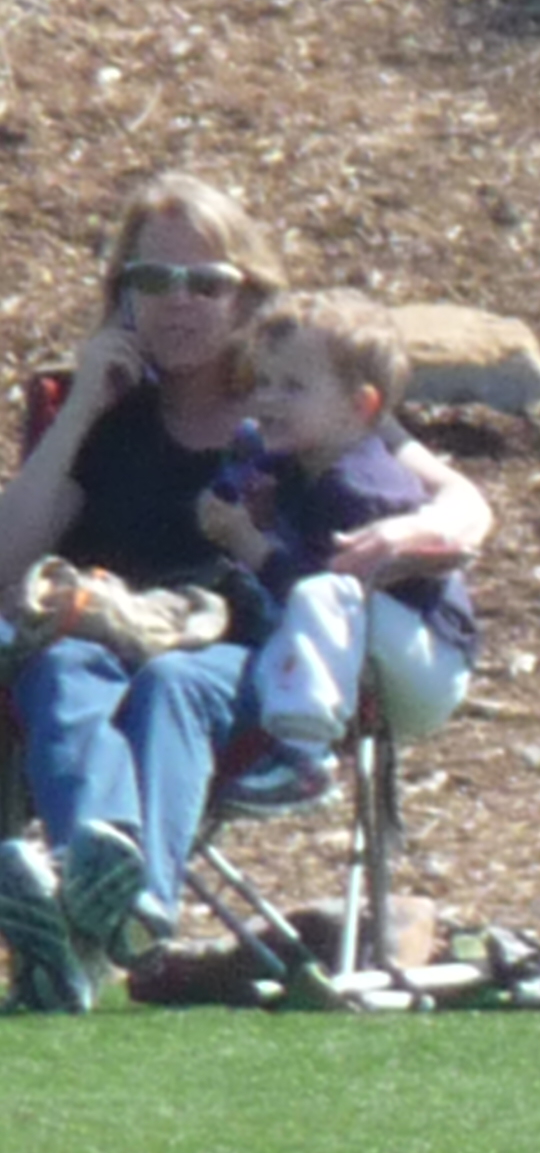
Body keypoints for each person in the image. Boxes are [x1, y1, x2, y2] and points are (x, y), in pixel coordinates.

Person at [0, 174, 491, 1013]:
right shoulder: (107, 419)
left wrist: (411, 536)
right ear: (122, 295)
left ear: (250, 295)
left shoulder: (301, 395)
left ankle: (114, 915)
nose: (177, 302)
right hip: (106, 638)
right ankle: (98, 880)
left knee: (170, 679)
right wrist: (80, 408)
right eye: (152, 279)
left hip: (244, 658)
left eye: (206, 282)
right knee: (60, 668)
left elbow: (462, 502)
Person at [194, 288, 480, 814]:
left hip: (425, 663)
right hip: (366, 650)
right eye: (264, 382)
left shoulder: (360, 486)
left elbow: (314, 585)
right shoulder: (297, 465)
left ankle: (304, 760)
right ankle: (274, 741)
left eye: (293, 387)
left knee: (320, 594)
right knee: (287, 612)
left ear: (359, 407)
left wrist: (248, 543)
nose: (268, 400)